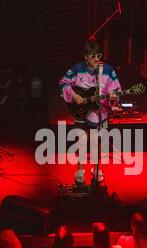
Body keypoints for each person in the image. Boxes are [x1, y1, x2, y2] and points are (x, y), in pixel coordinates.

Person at [59, 40, 121, 184]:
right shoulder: (76, 68)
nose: (96, 60)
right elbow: (62, 84)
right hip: (80, 110)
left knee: (97, 141)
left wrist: (113, 95)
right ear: (85, 56)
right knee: (81, 140)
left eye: (98, 56)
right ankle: (80, 169)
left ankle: (97, 168)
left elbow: (116, 89)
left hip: (100, 112)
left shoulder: (107, 70)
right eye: (92, 57)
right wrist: (74, 96)